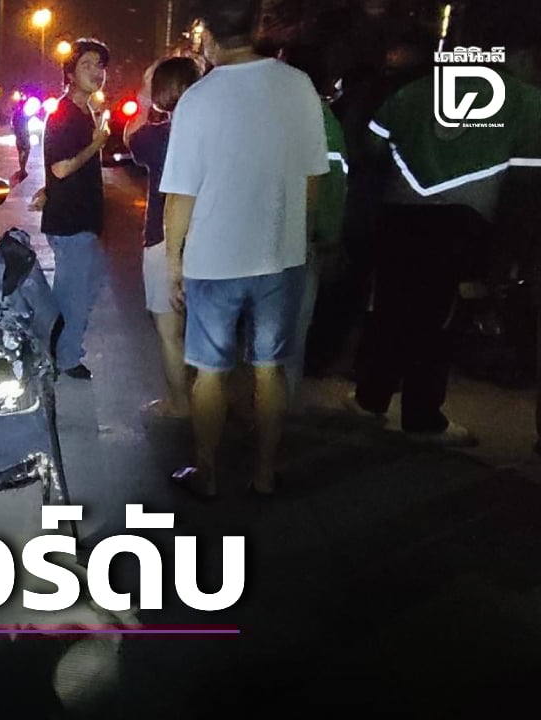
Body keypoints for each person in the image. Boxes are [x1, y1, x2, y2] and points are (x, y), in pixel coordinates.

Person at [160, 0, 329, 497]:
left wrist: (173, 262)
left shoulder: (198, 98)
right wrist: (300, 236)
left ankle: (207, 474)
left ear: (207, 36)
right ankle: (264, 474)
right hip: (280, 255)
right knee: (269, 368)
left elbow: (181, 194)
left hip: (214, 259)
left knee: (210, 373)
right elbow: (313, 177)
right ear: (257, 26)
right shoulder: (298, 86)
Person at [344, 31, 541, 447]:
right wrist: (505, 258)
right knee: (438, 322)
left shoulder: (413, 92)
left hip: (398, 217)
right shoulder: (527, 102)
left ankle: (371, 398)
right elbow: (525, 187)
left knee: (391, 310)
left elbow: (371, 149)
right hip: (465, 226)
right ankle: (422, 416)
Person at [125, 56, 202, 418]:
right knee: (204, 330)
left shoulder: (158, 137)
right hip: (208, 240)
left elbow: (130, 136)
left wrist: (143, 96)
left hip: (164, 238)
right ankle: (207, 396)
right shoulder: (214, 136)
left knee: (169, 331)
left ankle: (180, 403)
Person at [278, 43, 350, 411]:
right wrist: (329, 235)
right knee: (289, 331)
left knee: (275, 331)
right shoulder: (323, 120)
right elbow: (335, 185)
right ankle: (274, 408)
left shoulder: (282, 115)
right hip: (301, 240)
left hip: (283, 238)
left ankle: (267, 410)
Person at [41, 37, 111, 380]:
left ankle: (53, 349)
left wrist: (47, 189)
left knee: (80, 289)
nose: (96, 72)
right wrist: (96, 145)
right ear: (70, 74)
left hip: (82, 219)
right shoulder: (64, 114)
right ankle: (65, 358)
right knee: (75, 296)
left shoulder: (86, 112)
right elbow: (61, 167)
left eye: (100, 66)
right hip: (70, 223)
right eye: (86, 65)